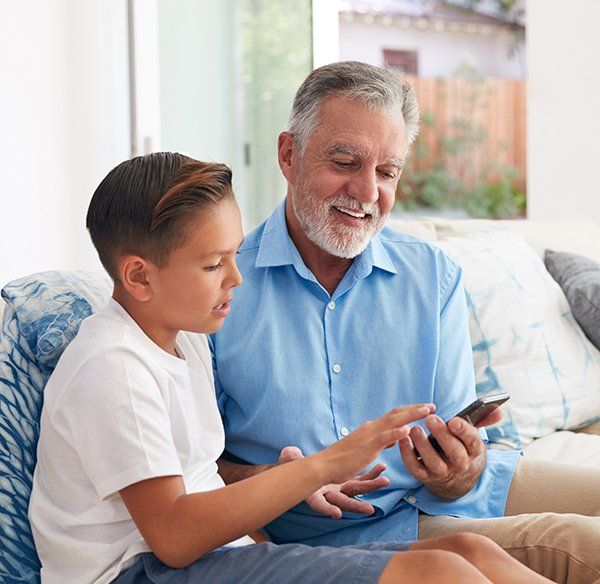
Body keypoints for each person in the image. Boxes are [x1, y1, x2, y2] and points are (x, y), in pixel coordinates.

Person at [27, 152, 551, 584]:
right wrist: (325, 464)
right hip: (136, 573)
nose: (236, 277)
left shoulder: (179, 340)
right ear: (139, 278)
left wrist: (277, 528)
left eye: (234, 255)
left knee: (469, 552)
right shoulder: (113, 367)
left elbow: (202, 483)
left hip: (204, 560)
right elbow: (174, 536)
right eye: (213, 265)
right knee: (440, 574)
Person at [210, 61, 600, 584]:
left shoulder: (431, 274)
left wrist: (460, 468)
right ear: (288, 154)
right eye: (345, 161)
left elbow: (463, 455)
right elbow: (189, 471)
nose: (368, 192)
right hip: (344, 534)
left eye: (387, 172)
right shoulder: (220, 288)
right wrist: (272, 480)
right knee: (583, 545)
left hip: (456, 497)